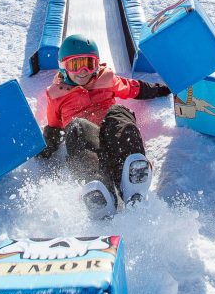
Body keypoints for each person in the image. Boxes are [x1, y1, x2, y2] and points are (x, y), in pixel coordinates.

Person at [39, 34, 171, 218]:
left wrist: (159, 89)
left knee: (118, 112)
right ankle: (98, 189)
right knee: (77, 127)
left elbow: (133, 88)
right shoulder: (57, 95)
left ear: (97, 64)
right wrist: (45, 149)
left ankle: (132, 173)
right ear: (63, 67)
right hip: (87, 145)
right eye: (75, 65)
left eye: (89, 64)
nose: (83, 71)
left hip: (113, 138)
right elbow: (53, 127)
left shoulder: (106, 80)